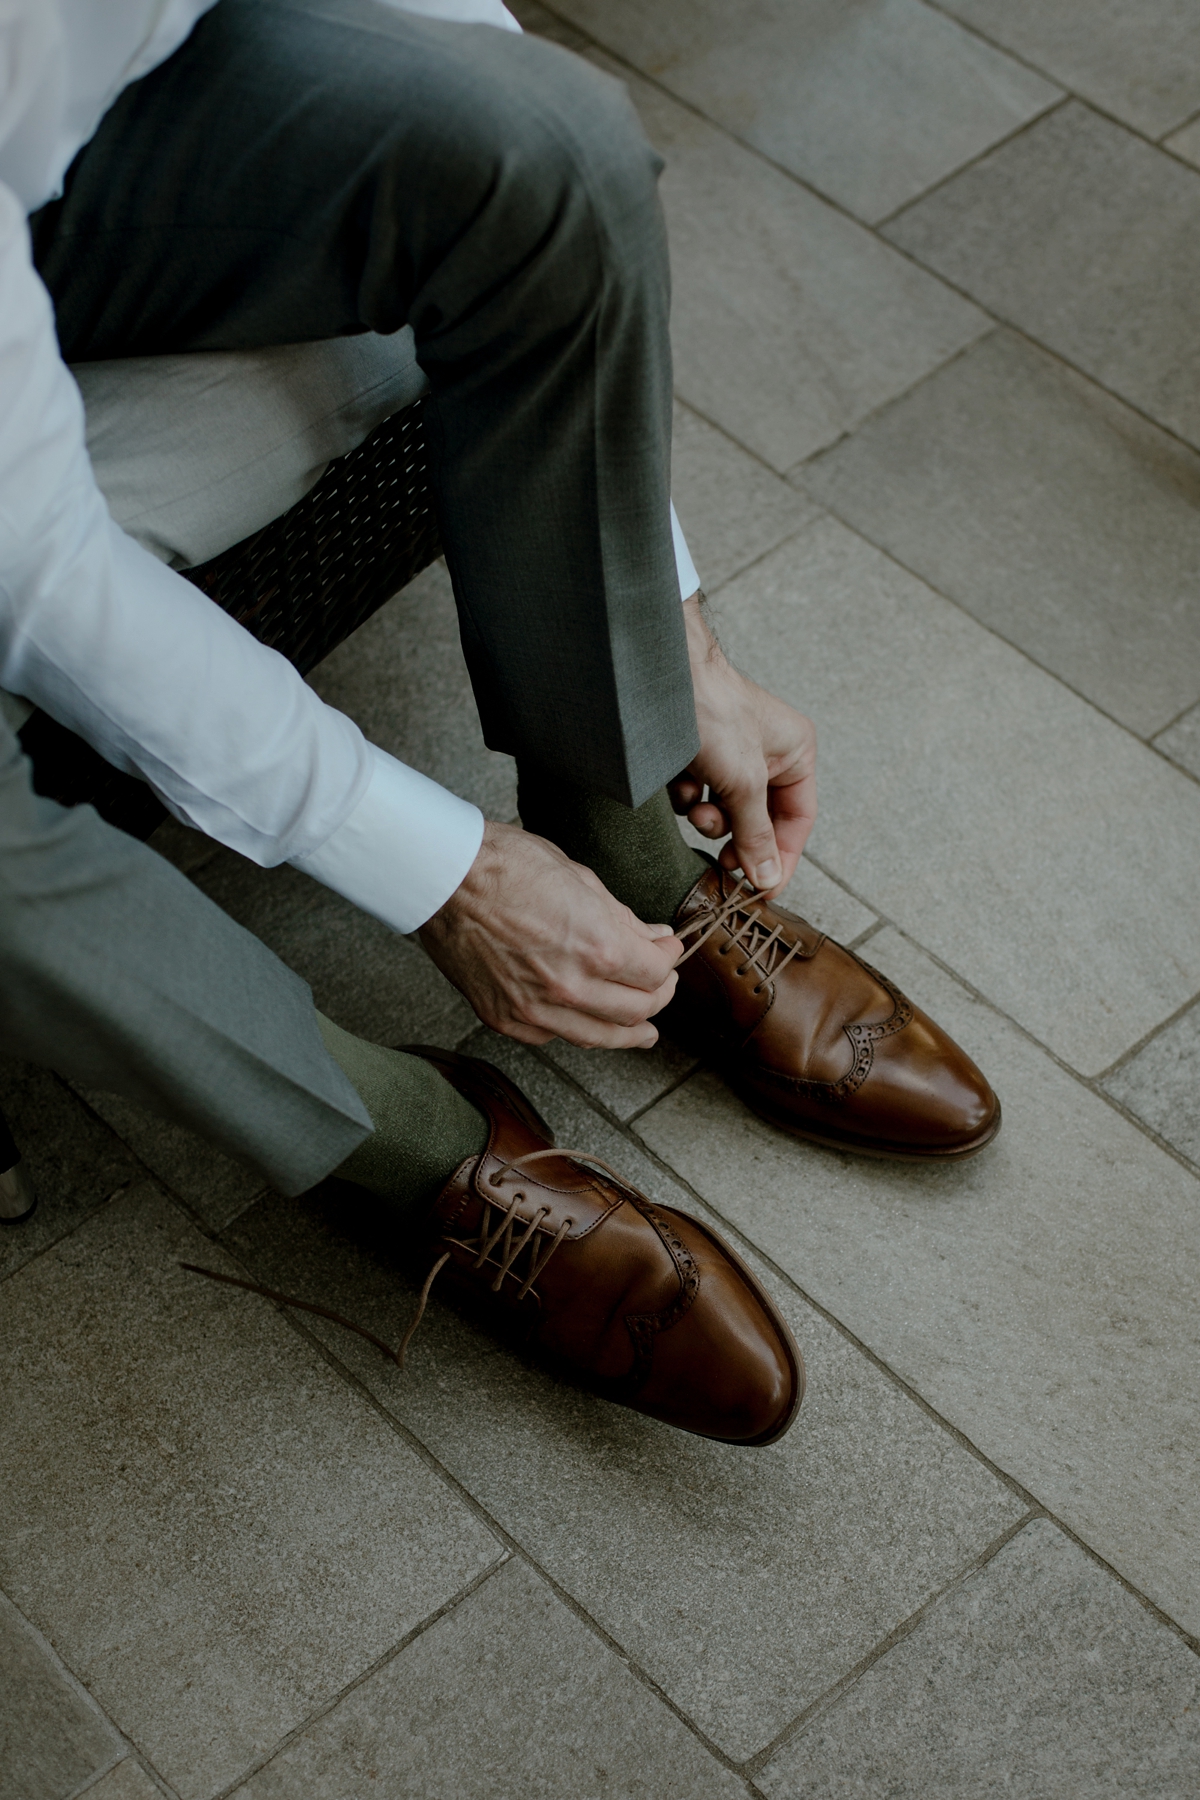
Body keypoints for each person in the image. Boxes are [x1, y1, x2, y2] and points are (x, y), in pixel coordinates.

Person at [0, 0, 998, 1445]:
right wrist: (439, 869)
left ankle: (630, 853)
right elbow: (38, 566)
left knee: (556, 153)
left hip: (81, 140)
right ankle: (410, 1148)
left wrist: (679, 626)